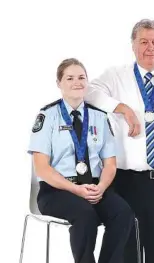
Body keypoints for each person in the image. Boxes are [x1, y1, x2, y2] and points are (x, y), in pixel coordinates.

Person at [84, 19, 154, 263]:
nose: (150, 48)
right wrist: (121, 107)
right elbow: (88, 92)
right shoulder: (116, 76)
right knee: (127, 253)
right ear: (133, 45)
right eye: (144, 42)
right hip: (126, 182)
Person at [28, 58, 134, 263]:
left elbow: (110, 164)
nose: (77, 82)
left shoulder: (99, 117)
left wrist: (101, 187)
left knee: (123, 213)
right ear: (59, 83)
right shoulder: (47, 115)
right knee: (85, 215)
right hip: (57, 190)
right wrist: (75, 189)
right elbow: (41, 168)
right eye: (69, 78)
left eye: (81, 77)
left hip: (94, 188)